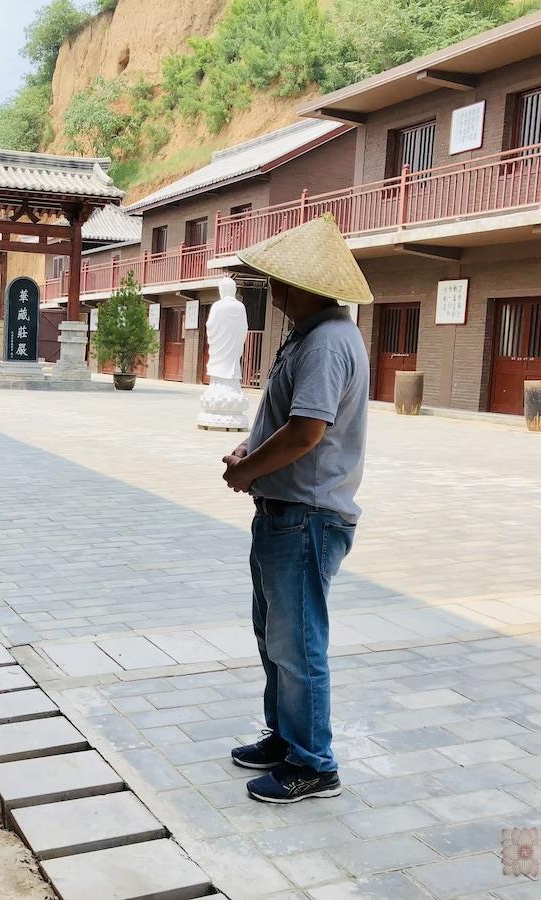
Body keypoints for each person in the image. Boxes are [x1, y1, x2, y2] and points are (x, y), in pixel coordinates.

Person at [219, 214, 372, 804]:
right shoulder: (312, 335)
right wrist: (249, 451)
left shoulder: (329, 340)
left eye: (279, 279)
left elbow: (308, 431)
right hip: (286, 510)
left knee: (298, 639)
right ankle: (286, 738)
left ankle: (313, 763)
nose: (272, 289)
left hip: (306, 513)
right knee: (275, 633)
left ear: (304, 283)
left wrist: (249, 470)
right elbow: (287, 420)